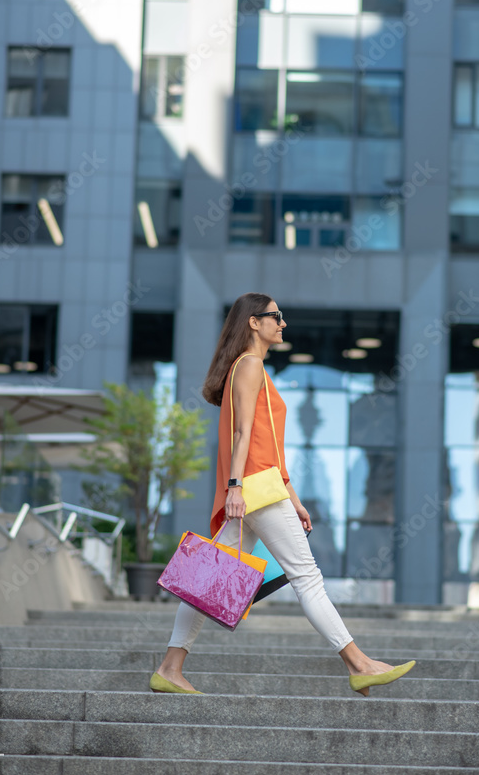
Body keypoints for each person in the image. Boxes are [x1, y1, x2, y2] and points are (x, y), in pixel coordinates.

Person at [150, 292, 415, 697]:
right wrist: (235, 487)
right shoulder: (251, 365)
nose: (283, 323)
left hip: (262, 487)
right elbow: (241, 436)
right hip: (255, 489)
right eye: (276, 316)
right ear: (253, 322)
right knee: (307, 578)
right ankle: (359, 664)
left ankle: (170, 668)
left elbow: (267, 442)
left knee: (207, 580)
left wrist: (293, 496)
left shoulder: (249, 368)